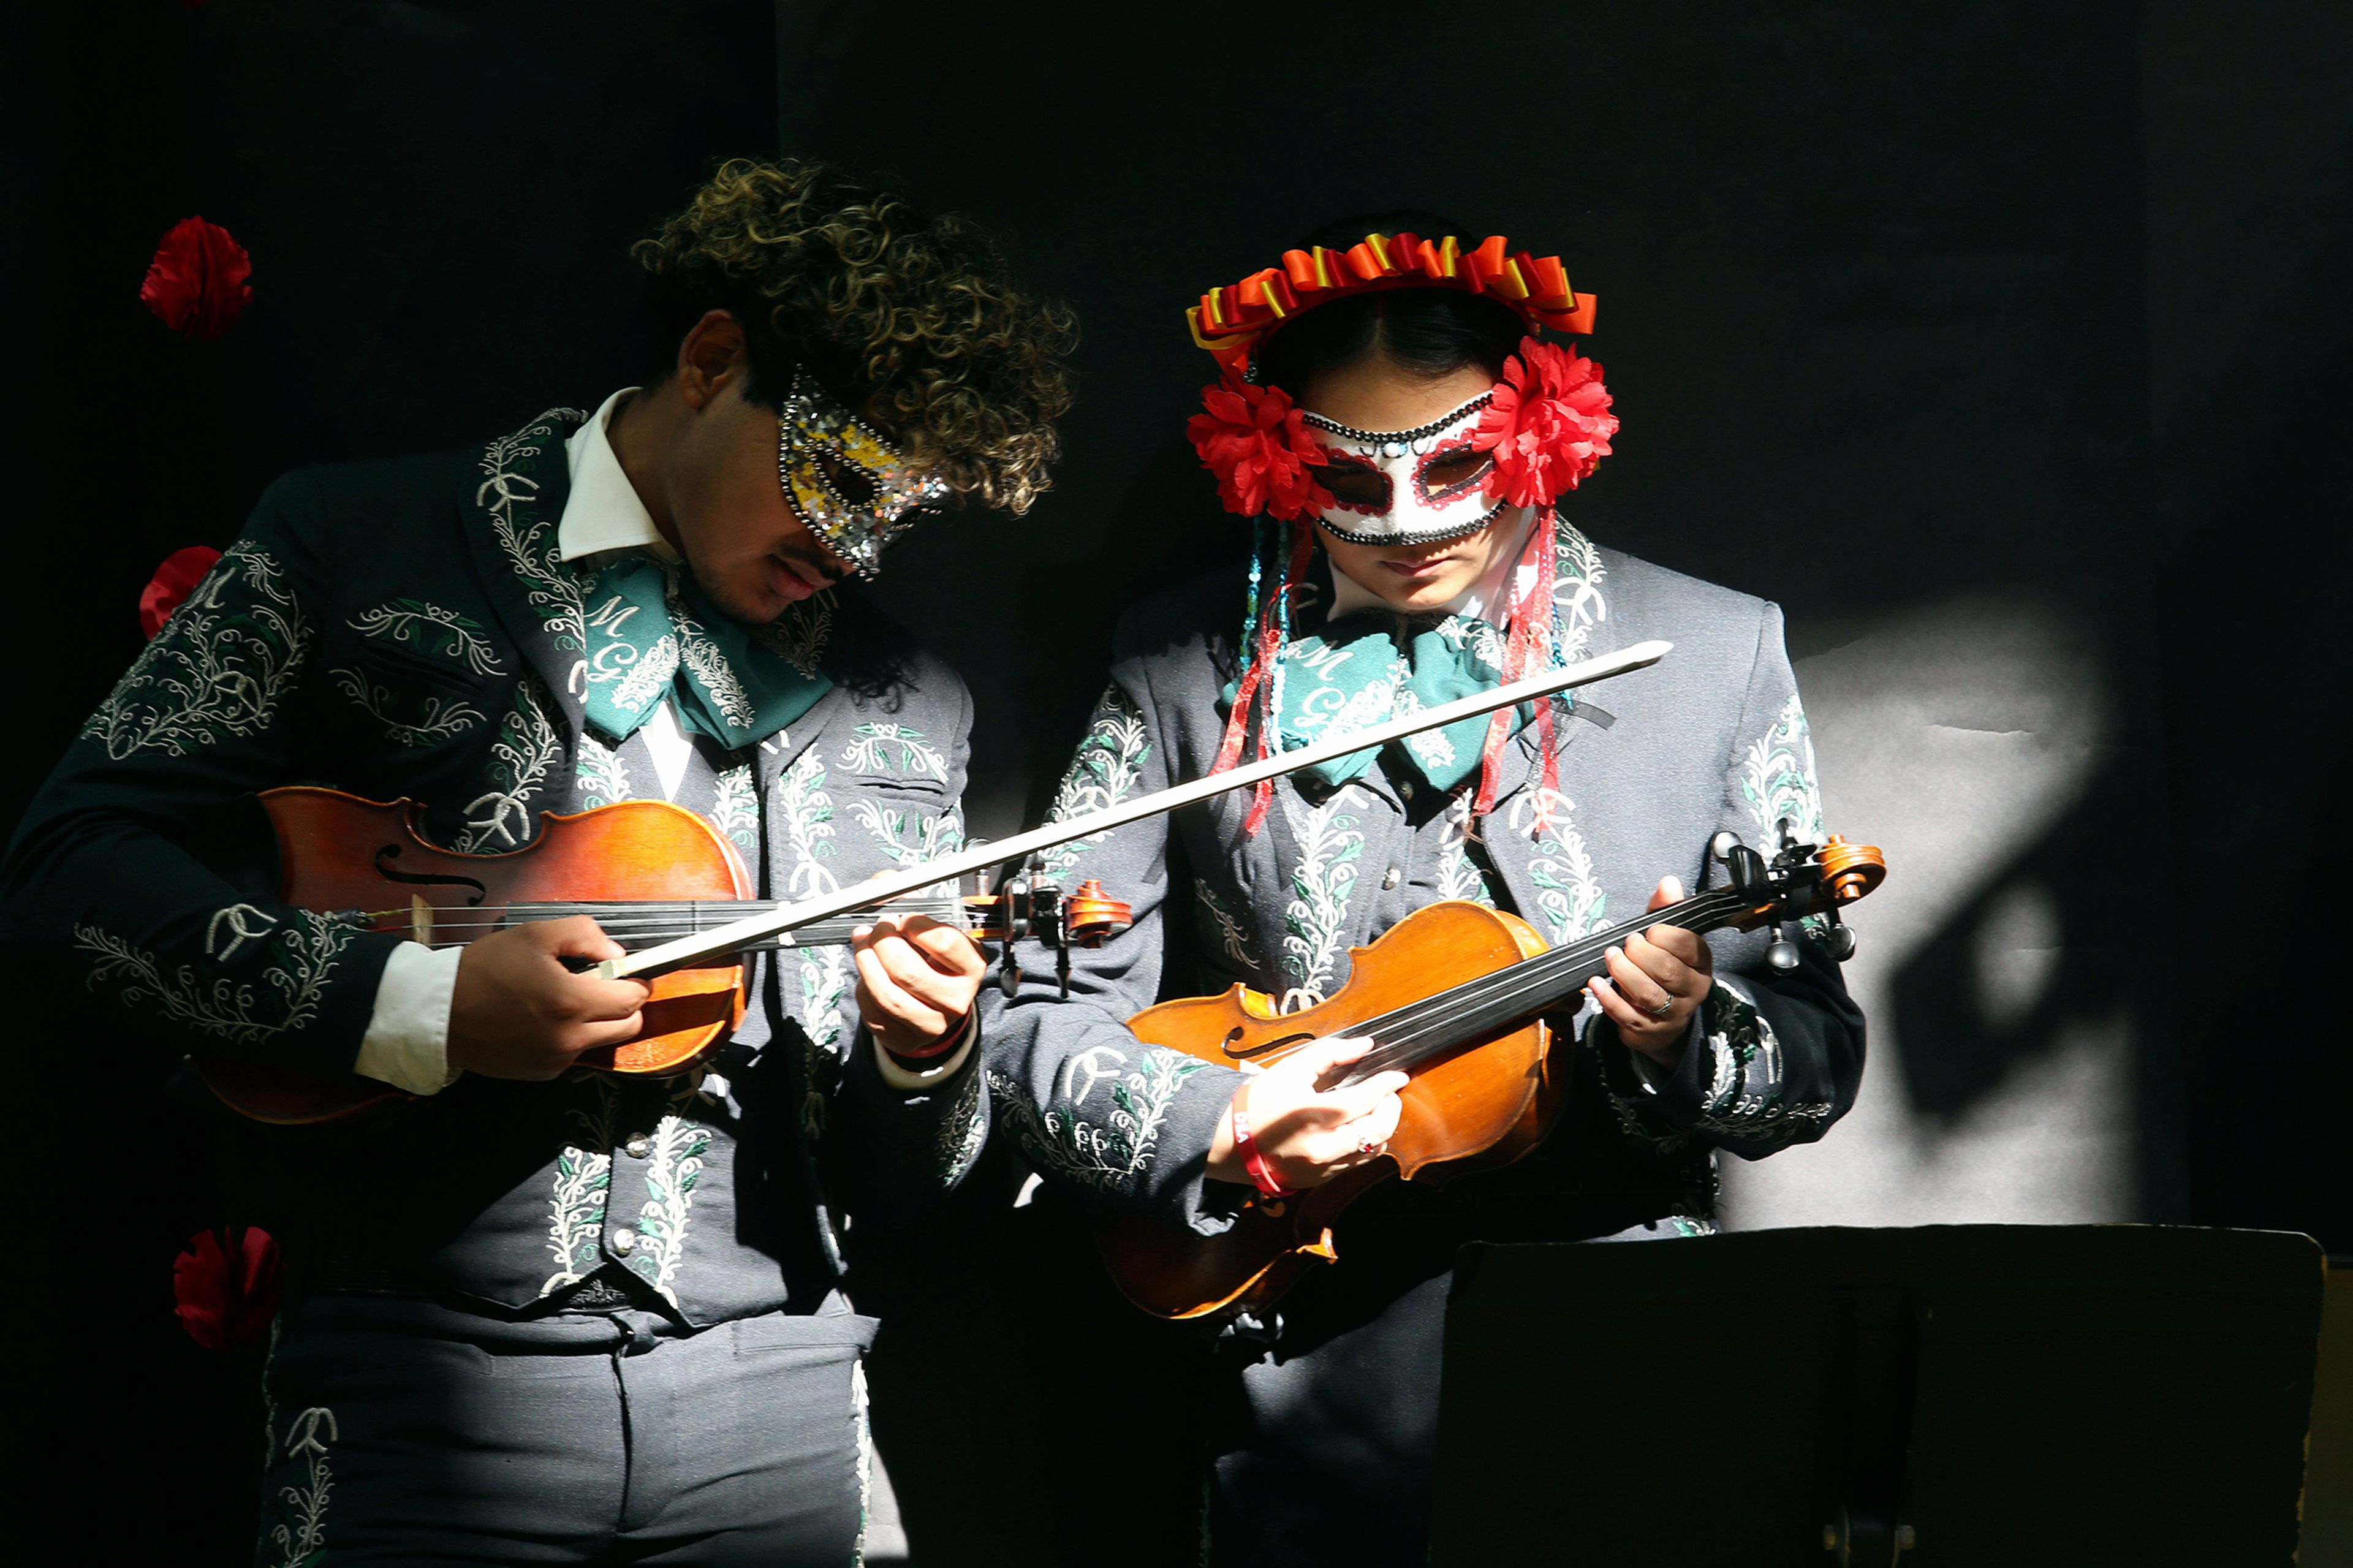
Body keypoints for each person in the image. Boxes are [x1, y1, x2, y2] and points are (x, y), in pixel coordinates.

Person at [2, 157, 1072, 1566]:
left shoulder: (907, 701)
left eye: (903, 511)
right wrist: (425, 1008)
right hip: (418, 1393)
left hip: (783, 1404)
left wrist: (923, 1055)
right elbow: (65, 873)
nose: (857, 546)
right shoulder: (349, 543)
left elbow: (919, 1173)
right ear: (710, 359)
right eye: (839, 477)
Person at [981, 216, 1865, 1565]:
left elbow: (1818, 1050)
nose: (1405, 526)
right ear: (1273, 449)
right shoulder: (1175, 665)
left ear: (1539, 430)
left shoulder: (1718, 652)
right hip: (1304, 1347)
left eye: (1454, 465)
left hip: (1628, 1345)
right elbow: (1032, 1010)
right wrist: (1222, 1122)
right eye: (1351, 475)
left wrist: (1689, 1039)